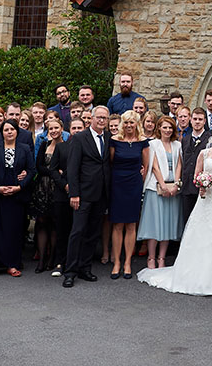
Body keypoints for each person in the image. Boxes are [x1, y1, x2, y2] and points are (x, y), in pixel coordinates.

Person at [139, 123, 212, 295]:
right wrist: (202, 184)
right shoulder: (204, 153)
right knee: (202, 231)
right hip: (206, 196)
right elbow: (196, 175)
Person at [64, 105, 111, 287]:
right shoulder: (79, 138)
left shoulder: (108, 137)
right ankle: (70, 271)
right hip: (82, 195)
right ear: (90, 119)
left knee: (93, 233)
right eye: (98, 117)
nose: (101, 120)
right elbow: (72, 168)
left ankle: (85, 268)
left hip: (101, 194)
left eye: (104, 118)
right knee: (77, 232)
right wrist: (74, 194)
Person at [0, 121, 34, 278]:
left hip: (15, 194)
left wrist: (20, 187)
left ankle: (12, 264)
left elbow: (31, 171)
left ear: (17, 132)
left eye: (12, 129)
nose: (9, 132)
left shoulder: (24, 148)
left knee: (13, 230)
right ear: (1, 132)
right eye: (6, 130)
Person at [105, 110, 148, 279]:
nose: (129, 126)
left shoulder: (143, 142)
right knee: (117, 224)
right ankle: (116, 262)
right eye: (127, 123)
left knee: (131, 224)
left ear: (137, 123)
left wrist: (140, 182)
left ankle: (128, 262)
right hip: (117, 184)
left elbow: (146, 166)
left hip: (134, 185)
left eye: (132, 122)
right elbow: (110, 162)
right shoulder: (115, 140)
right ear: (123, 124)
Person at [137, 116, 183, 268]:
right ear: (159, 128)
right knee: (155, 223)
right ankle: (151, 257)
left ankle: (161, 257)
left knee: (167, 224)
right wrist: (163, 185)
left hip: (172, 190)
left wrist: (175, 184)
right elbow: (154, 166)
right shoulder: (153, 144)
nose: (168, 130)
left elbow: (178, 165)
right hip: (155, 188)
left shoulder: (177, 145)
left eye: (170, 127)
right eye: (165, 127)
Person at [32, 116, 69, 274]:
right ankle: (41, 260)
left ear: (62, 129)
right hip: (42, 188)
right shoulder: (43, 145)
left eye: (56, 128)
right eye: (50, 129)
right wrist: (54, 171)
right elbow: (39, 166)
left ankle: (53, 258)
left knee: (56, 224)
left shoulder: (67, 146)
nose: (53, 131)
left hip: (59, 189)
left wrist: (58, 174)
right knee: (41, 223)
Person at [179, 108, 212, 225]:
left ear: (204, 121)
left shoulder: (210, 138)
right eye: (195, 119)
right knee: (187, 220)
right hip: (187, 185)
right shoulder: (185, 139)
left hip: (203, 186)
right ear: (190, 120)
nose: (197, 122)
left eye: (200, 119)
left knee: (202, 221)